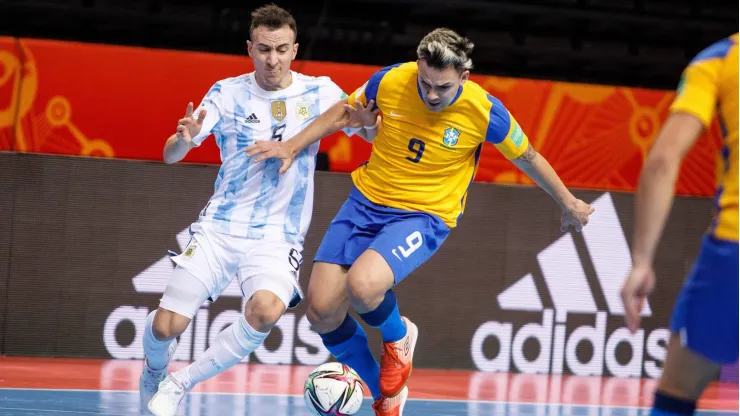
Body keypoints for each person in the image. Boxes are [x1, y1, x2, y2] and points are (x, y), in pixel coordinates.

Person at [246, 27, 595, 415]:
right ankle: (385, 395)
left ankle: (399, 336)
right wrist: (293, 145)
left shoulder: (485, 111)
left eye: (441, 87)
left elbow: (527, 156)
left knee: (363, 287)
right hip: (365, 203)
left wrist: (568, 202)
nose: (430, 94)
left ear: (464, 77)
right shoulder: (391, 80)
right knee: (321, 310)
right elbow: (346, 111)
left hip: (423, 214)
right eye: (424, 82)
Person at [139, 4, 376, 416]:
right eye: (264, 49)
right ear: (250, 48)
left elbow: (367, 132)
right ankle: (154, 372)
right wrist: (185, 138)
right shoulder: (226, 92)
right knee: (165, 327)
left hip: (277, 235)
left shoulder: (321, 91)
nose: (273, 60)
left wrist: (368, 122)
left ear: (295, 48)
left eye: (282, 49)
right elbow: (171, 155)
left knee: (266, 311)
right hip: (220, 228)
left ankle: (181, 382)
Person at [621, 33, 738, 416]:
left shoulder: (720, 61)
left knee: (675, 396)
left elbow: (661, 162)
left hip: (734, 252)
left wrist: (641, 261)